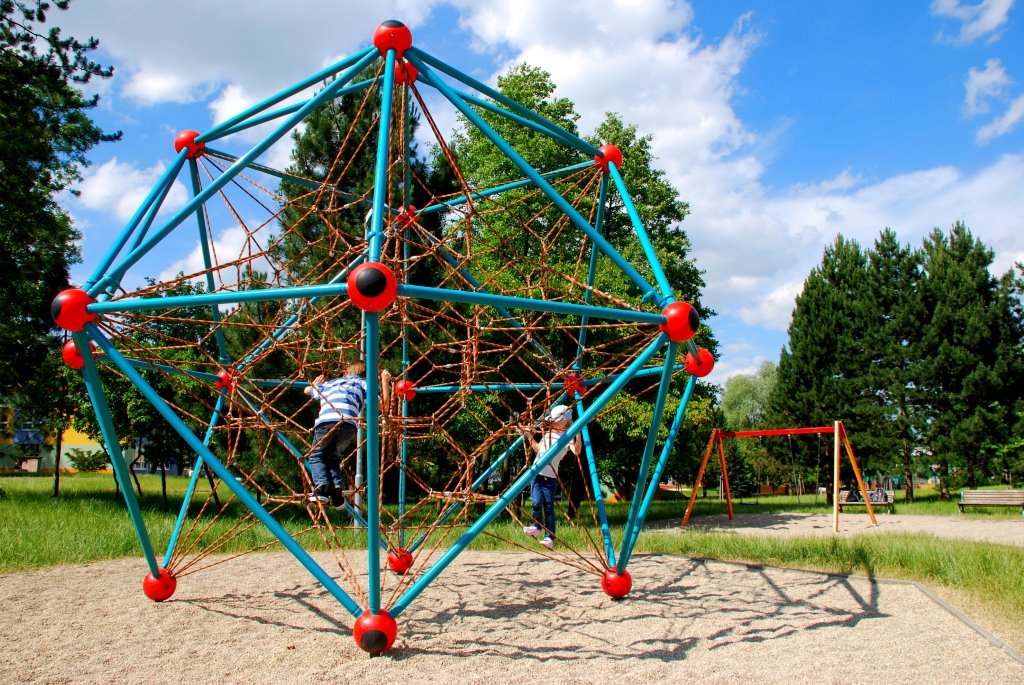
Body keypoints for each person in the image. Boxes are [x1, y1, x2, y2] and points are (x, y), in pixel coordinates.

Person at [304, 360, 391, 508]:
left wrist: (314, 385)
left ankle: (322, 488)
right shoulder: (365, 384)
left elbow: (307, 391)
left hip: (326, 422)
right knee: (333, 458)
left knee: (317, 456)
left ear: (346, 372)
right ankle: (336, 492)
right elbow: (384, 407)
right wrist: (384, 381)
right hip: (348, 426)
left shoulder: (332, 383)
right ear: (367, 376)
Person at [521, 404, 582, 549]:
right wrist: (529, 436)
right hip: (536, 474)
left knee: (548, 507)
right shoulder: (548, 434)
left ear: (564, 422)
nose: (552, 423)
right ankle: (537, 526)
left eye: (554, 421)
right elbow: (538, 449)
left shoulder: (567, 437)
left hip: (550, 477)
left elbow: (577, 451)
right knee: (536, 503)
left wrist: (578, 433)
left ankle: (549, 537)